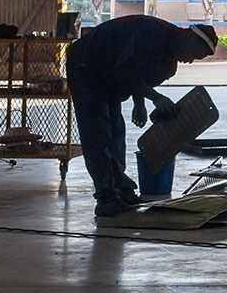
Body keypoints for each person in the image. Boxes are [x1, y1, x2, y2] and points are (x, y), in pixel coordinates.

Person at [66, 16, 218, 216]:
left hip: (108, 76)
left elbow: (138, 74)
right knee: (98, 135)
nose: (190, 60)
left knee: (116, 135)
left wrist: (140, 104)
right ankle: (106, 198)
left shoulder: (168, 62)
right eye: (194, 54)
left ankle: (121, 189)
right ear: (188, 36)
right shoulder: (153, 33)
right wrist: (156, 98)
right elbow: (125, 70)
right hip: (87, 66)